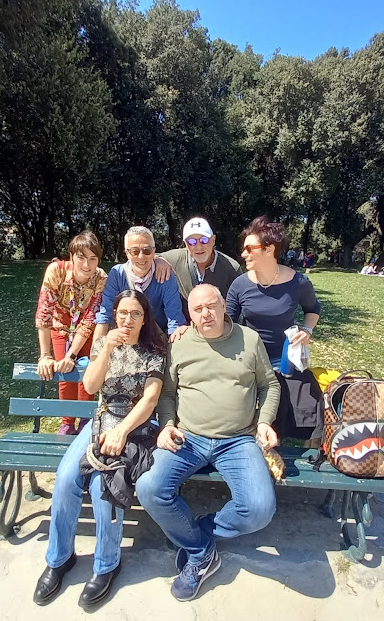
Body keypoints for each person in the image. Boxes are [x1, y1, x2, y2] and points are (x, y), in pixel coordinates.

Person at [136, 284, 280, 602]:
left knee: (259, 509)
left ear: (223, 305)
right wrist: (167, 425)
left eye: (212, 306)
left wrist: (264, 421)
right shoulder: (179, 344)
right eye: (198, 309)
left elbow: (269, 384)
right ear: (189, 314)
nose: (206, 314)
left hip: (238, 440)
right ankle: (201, 552)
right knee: (149, 488)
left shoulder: (249, 339)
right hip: (188, 437)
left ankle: (197, 530)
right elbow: (167, 393)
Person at [33, 290, 166, 610]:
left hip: (134, 425)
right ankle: (59, 559)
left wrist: (122, 431)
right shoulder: (102, 343)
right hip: (100, 421)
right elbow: (91, 387)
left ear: (144, 318)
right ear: (115, 315)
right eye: (123, 313)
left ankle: (106, 564)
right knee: (66, 478)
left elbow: (150, 400)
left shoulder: (155, 350)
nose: (128, 320)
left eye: (135, 314)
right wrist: (106, 348)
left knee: (103, 485)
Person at [35, 231, 107, 435]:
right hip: (60, 326)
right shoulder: (56, 271)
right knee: (64, 373)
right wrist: (45, 356)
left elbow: (90, 318)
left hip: (87, 331)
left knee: (87, 370)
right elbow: (44, 313)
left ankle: (85, 421)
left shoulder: (101, 278)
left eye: (92, 259)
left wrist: (72, 355)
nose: (87, 265)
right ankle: (67, 422)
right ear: (71, 256)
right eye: (81, 257)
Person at [226, 216, 320, 369]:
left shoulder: (299, 282)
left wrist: (307, 330)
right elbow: (227, 322)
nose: (243, 254)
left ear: (269, 249)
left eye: (249, 249)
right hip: (247, 358)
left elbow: (313, 309)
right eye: (243, 249)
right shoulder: (239, 284)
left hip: (282, 359)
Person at [94, 226, 185, 341]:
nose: (141, 257)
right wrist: (97, 350)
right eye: (135, 251)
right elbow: (105, 315)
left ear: (154, 251)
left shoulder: (165, 275)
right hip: (124, 338)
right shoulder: (117, 274)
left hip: (155, 340)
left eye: (147, 250)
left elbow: (175, 320)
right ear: (127, 253)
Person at [154, 217, 242, 321]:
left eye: (204, 240)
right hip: (185, 326)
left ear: (213, 240)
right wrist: (159, 260)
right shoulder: (175, 259)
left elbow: (237, 308)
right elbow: (146, 256)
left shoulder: (232, 268)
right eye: (191, 242)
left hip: (217, 325)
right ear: (186, 244)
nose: (198, 247)